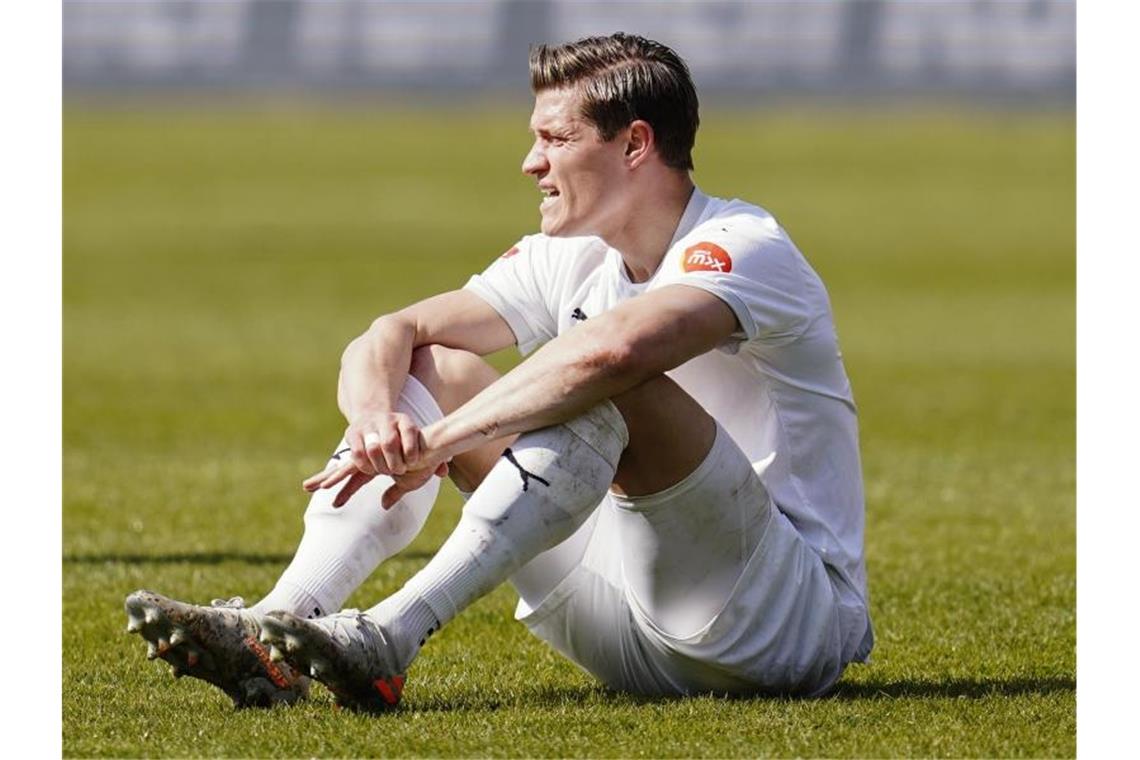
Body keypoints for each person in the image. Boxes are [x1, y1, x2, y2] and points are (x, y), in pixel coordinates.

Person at [125, 32, 873, 712]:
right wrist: (379, 421)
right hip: (619, 617)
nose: (531, 161)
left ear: (635, 145)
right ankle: (274, 632)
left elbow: (613, 355)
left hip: (776, 624)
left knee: (605, 379)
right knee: (437, 366)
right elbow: (391, 333)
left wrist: (441, 439)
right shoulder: (571, 253)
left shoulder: (742, 242)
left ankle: (391, 635)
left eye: (555, 137)